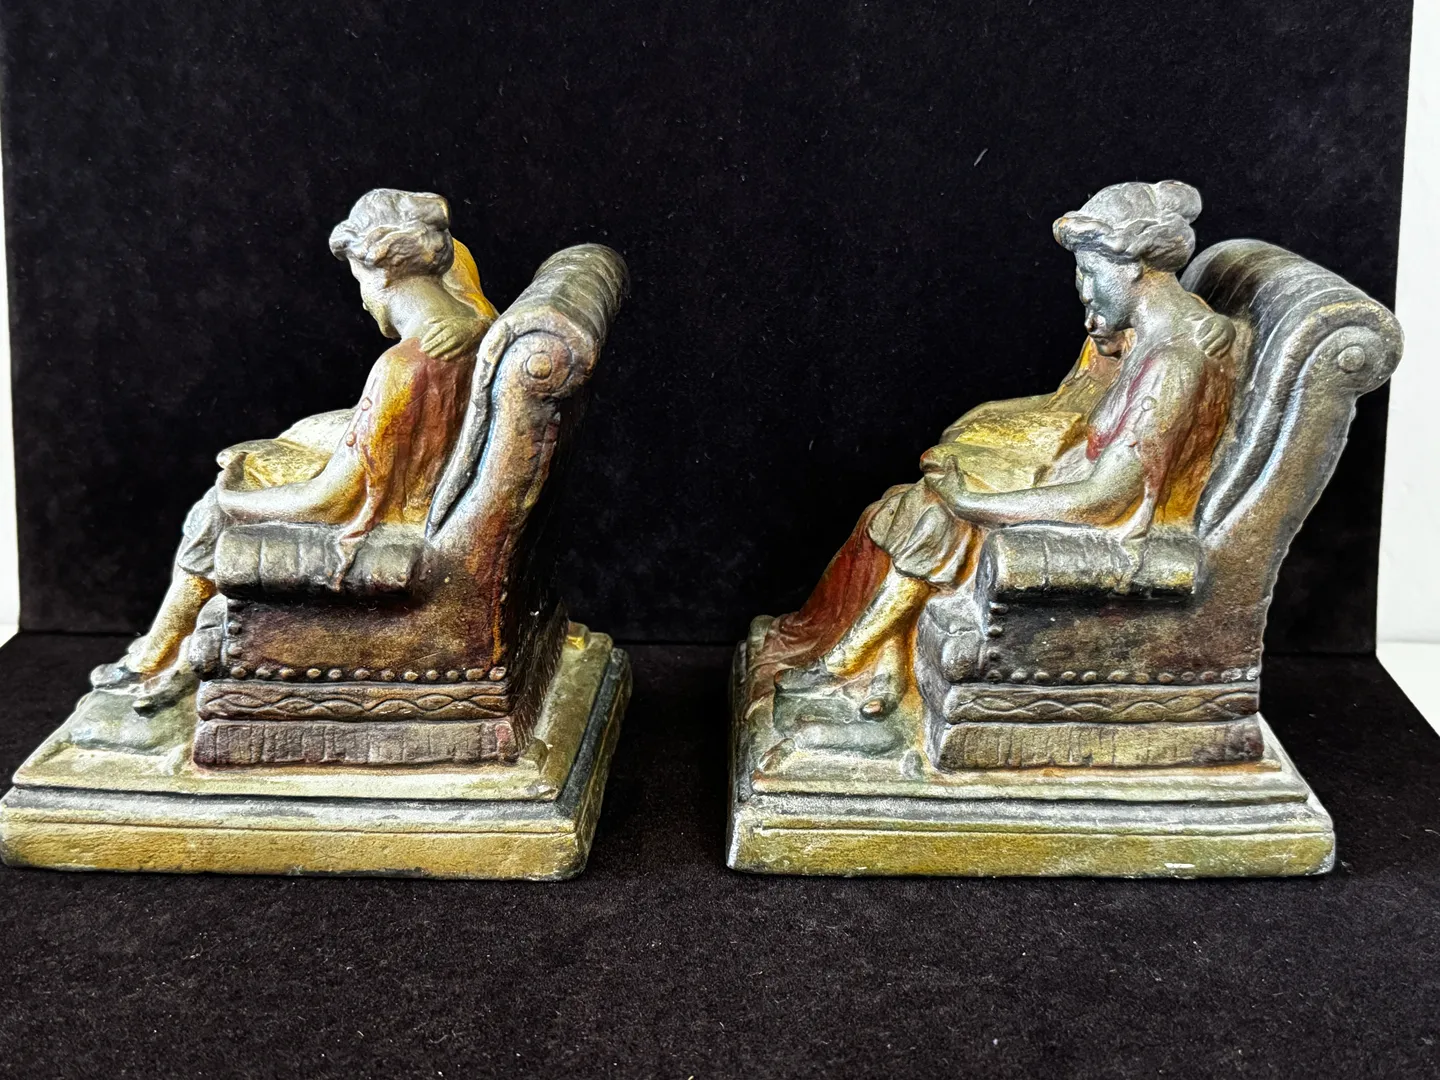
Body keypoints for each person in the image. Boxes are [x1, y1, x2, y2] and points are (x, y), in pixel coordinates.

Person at [758, 180, 1237, 719]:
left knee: (930, 510)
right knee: (914, 492)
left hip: (1104, 515)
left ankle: (850, 659)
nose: (1082, 289)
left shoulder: (1172, 362)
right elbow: (1081, 403)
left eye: (1089, 271)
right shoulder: (1161, 327)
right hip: (1065, 473)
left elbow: (1108, 497)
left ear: (1133, 268)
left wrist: (973, 502)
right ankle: (886, 652)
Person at [94, 189, 497, 693]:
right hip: (408, 450)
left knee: (212, 509)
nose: (362, 299)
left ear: (381, 273)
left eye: (359, 280)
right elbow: (476, 303)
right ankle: (167, 648)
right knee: (281, 445)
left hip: (394, 501)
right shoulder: (459, 303)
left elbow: (328, 501)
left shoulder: (402, 367)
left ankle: (158, 654)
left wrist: (232, 499)